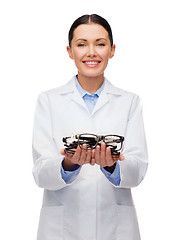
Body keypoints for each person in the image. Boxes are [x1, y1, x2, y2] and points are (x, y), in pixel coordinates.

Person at [32, 14, 148, 240]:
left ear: (112, 50)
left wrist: (113, 166)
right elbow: (40, 172)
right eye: (82, 44)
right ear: (69, 51)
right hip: (61, 229)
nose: (91, 52)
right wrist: (68, 163)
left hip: (116, 227)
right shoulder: (48, 101)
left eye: (100, 44)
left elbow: (137, 169)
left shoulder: (130, 102)